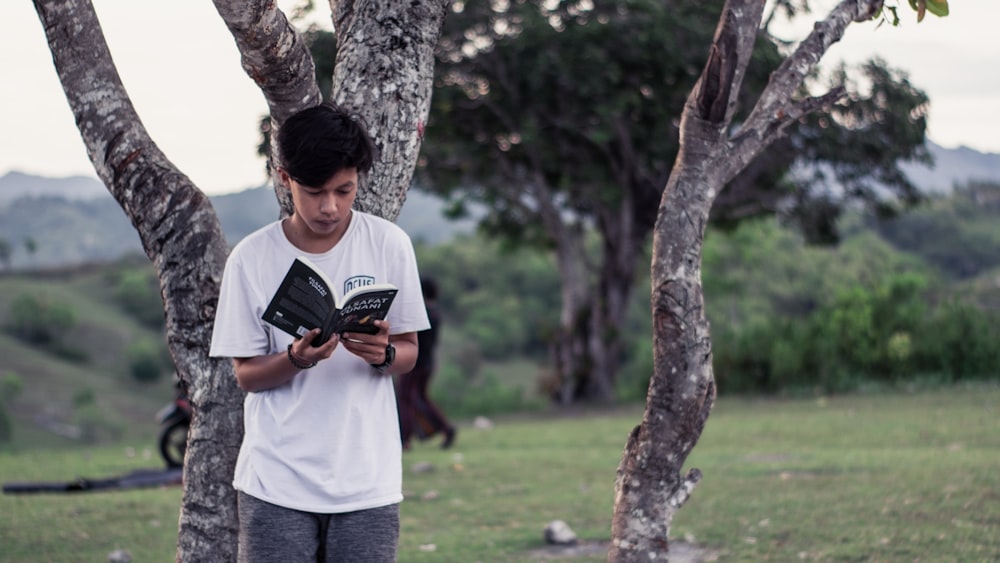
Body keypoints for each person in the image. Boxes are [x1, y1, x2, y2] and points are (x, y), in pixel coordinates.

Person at [209, 102, 429, 563]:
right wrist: (296, 359)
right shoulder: (252, 258)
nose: (330, 207)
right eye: (314, 191)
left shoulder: (389, 244)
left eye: (343, 190)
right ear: (285, 178)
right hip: (276, 481)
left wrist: (383, 354)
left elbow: (409, 350)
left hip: (367, 481)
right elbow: (246, 375)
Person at [395, 276, 456, 450]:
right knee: (422, 398)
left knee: (405, 398)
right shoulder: (436, 314)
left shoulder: (421, 312)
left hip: (414, 363)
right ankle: (446, 428)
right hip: (428, 363)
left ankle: (404, 439)